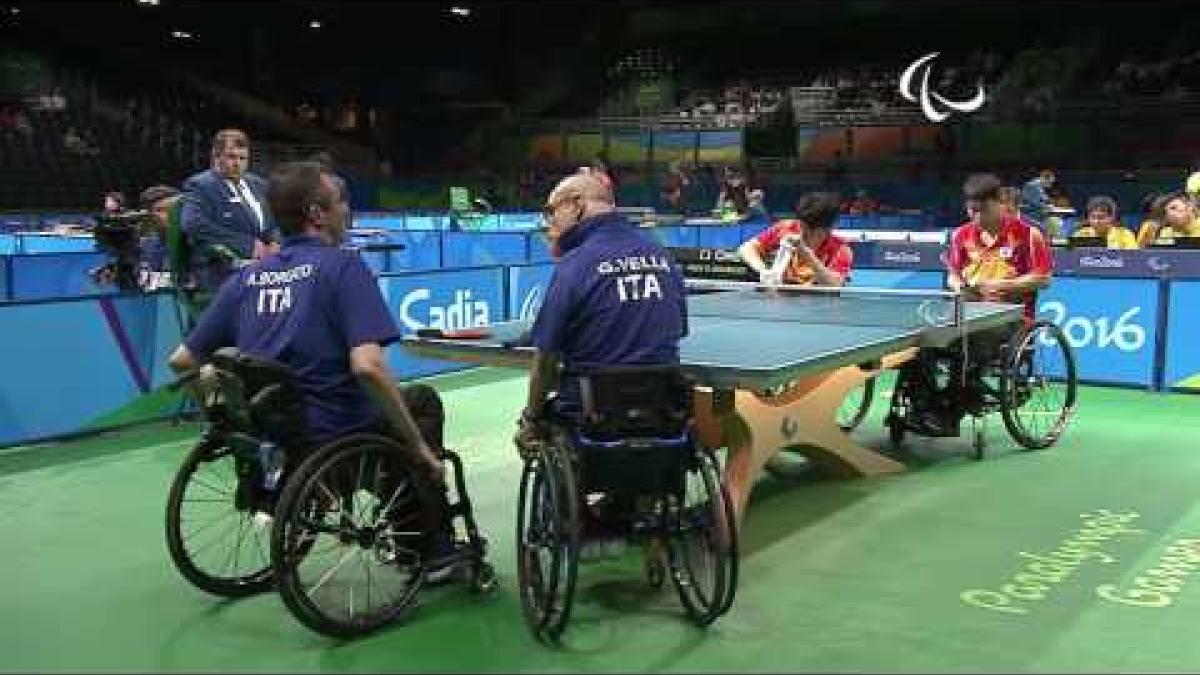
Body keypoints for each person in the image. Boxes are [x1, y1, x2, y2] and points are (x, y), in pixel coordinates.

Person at [167, 161, 464, 581]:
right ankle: (428, 549)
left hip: (270, 437)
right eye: (339, 201)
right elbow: (368, 367)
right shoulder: (342, 268)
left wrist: (222, 418)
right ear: (317, 213)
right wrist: (419, 448)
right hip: (334, 434)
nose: (346, 209)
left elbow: (181, 361)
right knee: (420, 404)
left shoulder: (247, 279)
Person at [514, 172, 688, 556]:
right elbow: (678, 331)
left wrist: (531, 417)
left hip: (592, 414)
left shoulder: (575, 266)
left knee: (543, 423)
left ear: (576, 205)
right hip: (662, 412)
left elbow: (546, 358)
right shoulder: (662, 255)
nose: (548, 222)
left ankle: (572, 522)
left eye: (550, 211)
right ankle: (630, 508)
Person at [180, 128, 277, 307]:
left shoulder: (258, 184)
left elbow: (273, 222)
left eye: (242, 158)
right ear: (217, 157)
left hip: (262, 269)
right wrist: (247, 245)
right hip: (218, 270)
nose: (237, 163)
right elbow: (191, 223)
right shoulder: (201, 185)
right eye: (231, 157)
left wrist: (274, 242)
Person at [949, 172, 1053, 320]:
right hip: (969, 315)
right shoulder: (961, 234)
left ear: (1000, 202)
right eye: (973, 211)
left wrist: (999, 285)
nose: (978, 218)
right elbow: (953, 275)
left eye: (984, 210)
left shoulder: (1029, 234)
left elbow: (1043, 278)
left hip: (1014, 320)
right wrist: (960, 286)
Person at [736, 191, 853, 287]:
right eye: (802, 228)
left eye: (810, 234)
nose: (802, 236)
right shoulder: (786, 228)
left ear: (829, 228)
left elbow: (835, 285)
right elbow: (746, 248)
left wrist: (808, 257)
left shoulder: (841, 249)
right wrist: (764, 271)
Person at [1069, 195, 1138, 249]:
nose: (1096, 221)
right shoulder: (1080, 234)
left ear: (1112, 217)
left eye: (1101, 217)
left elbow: (1133, 258)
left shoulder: (1124, 235)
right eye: (1093, 217)